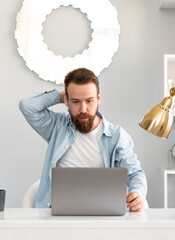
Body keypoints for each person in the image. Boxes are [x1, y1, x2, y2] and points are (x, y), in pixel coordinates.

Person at [19, 68, 147, 212]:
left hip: (103, 213)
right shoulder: (56, 126)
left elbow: (135, 173)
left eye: (89, 100)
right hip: (57, 214)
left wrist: (138, 194)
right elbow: (27, 106)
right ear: (66, 101)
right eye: (76, 101)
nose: (83, 109)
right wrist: (61, 96)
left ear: (98, 98)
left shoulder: (116, 136)